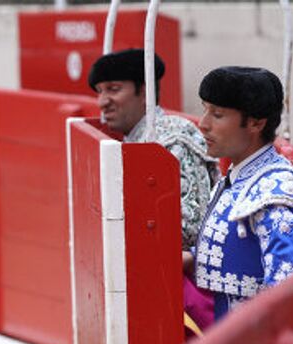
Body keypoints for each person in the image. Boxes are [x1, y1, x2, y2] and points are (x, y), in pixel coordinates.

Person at [185, 66, 293, 321]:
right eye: (205, 110)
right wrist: (192, 256)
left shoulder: (275, 195)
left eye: (218, 114)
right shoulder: (242, 177)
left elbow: (288, 295)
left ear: (256, 122)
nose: (203, 124)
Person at [89, 48, 217, 250]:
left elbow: (191, 228)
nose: (102, 101)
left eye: (113, 89)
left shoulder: (174, 138)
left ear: (144, 92)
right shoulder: (134, 138)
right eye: (99, 91)